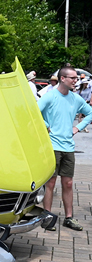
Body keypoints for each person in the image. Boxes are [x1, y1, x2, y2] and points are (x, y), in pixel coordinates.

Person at [38, 65, 92, 231]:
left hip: (68, 147)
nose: (76, 81)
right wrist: (46, 125)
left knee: (68, 183)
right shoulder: (50, 96)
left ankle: (69, 218)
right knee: (50, 182)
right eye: (73, 78)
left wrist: (77, 127)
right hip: (52, 146)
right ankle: (47, 217)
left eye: (76, 78)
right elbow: (34, 112)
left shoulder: (76, 99)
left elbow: (90, 112)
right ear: (62, 78)